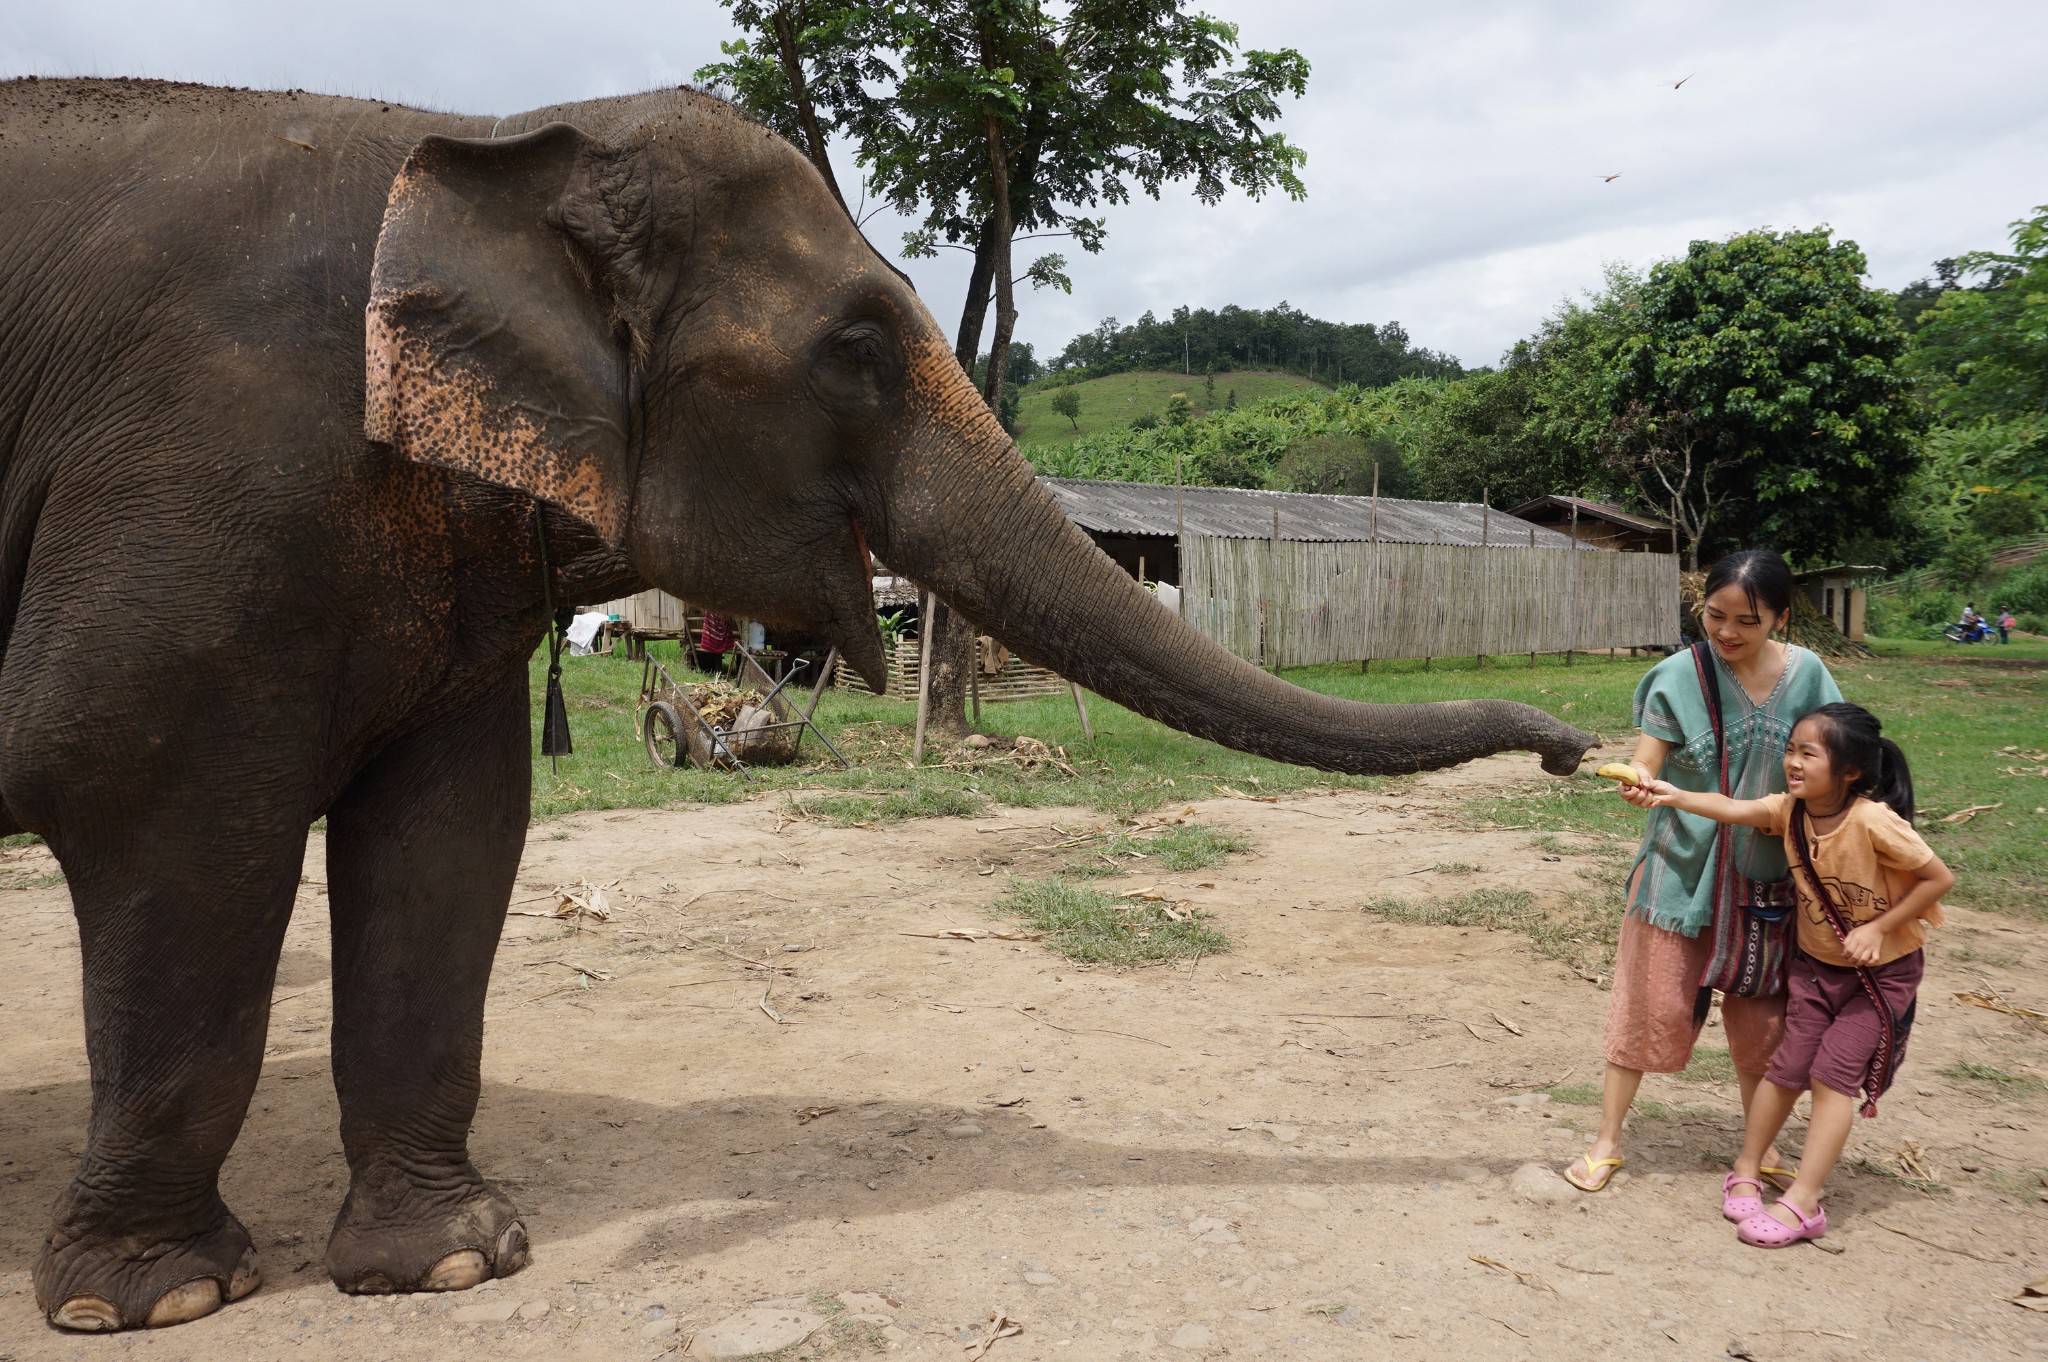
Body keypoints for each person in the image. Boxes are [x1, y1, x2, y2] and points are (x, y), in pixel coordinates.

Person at [1564, 549, 1842, 1194]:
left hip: (1770, 879)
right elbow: (1648, 761)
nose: (1727, 633)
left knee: (1765, 1024)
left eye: (1747, 620)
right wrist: (1639, 782)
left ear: (1780, 618)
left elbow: (1835, 759)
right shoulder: (1676, 675)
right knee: (1646, 1003)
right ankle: (1607, 1141)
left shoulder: (1811, 678)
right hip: (1677, 871)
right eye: (1715, 615)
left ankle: (1761, 1147)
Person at [1622, 703, 1950, 1245]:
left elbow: (1937, 879)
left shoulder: (1872, 820)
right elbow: (1729, 807)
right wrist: (1674, 795)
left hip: (1880, 978)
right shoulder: (1791, 810)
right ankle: (1747, 1169)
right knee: (1785, 1070)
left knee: (1831, 1080)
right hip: (1816, 969)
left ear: (1849, 771)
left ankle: (1804, 1201)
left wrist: (1878, 929)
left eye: (1808, 754)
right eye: (1790, 750)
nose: (1792, 762)